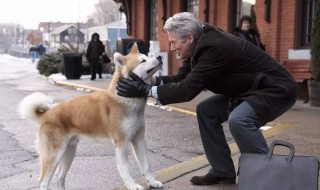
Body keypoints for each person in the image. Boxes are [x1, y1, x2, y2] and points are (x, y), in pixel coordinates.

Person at [116, 12, 298, 185]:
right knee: (206, 111)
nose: (171, 48)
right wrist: (150, 80)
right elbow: (182, 79)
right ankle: (222, 171)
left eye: (173, 43)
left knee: (240, 120)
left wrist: (145, 90)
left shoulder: (213, 47)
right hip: (249, 90)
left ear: (189, 38)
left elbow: (187, 90)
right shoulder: (198, 43)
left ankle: (267, 174)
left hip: (275, 89)